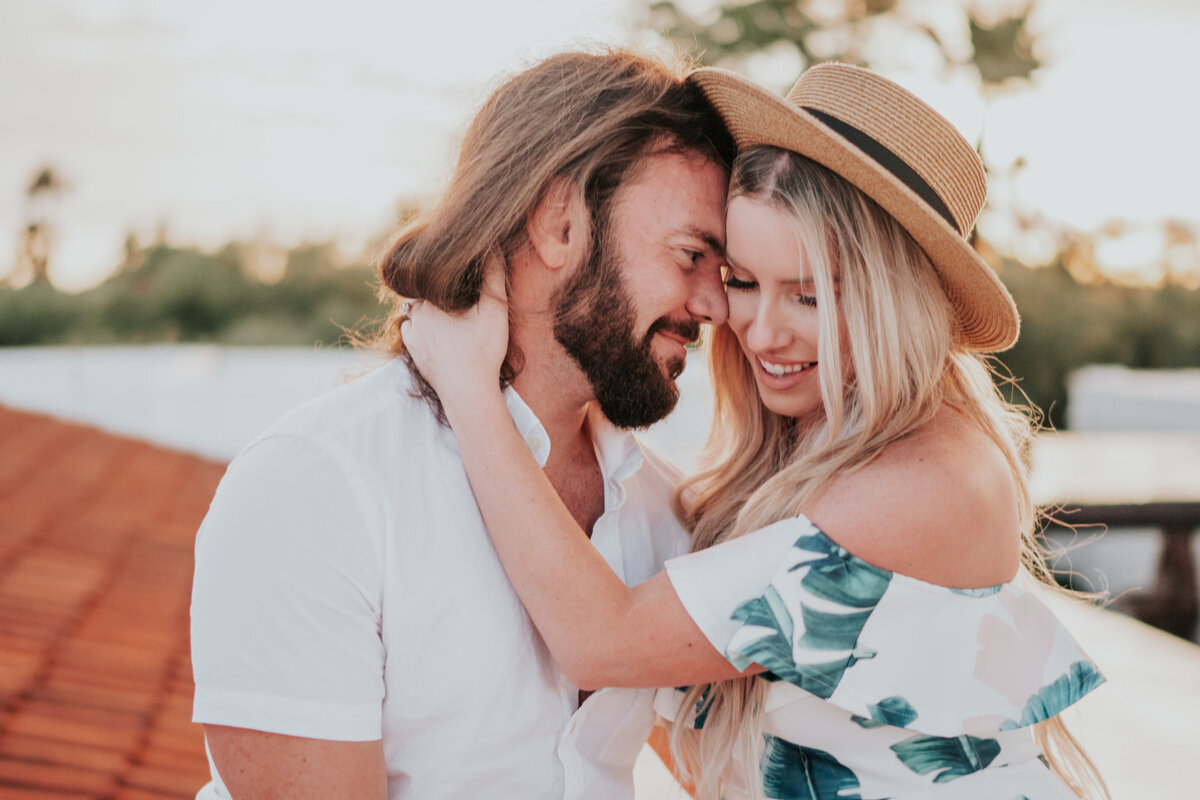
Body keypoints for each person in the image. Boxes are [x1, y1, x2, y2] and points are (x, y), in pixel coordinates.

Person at [402, 63, 1109, 799]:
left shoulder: (933, 483)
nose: (760, 331)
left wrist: (469, 388)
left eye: (808, 295)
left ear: (890, 300)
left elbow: (601, 644)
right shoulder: (820, 453)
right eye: (742, 281)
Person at [189, 48, 738, 799]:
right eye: (691, 254)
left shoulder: (665, 511)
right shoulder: (318, 484)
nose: (716, 303)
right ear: (558, 223)